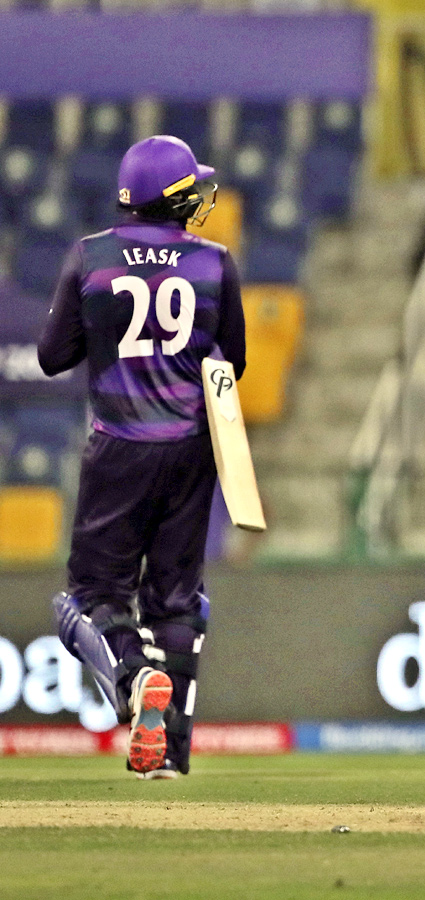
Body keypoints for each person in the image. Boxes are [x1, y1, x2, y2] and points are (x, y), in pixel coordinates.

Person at [39, 134, 245, 780]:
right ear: (174, 198)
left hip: (118, 449)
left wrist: (108, 335)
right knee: (178, 602)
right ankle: (171, 754)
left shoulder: (90, 256)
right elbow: (233, 362)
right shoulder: (215, 263)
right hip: (190, 451)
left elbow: (51, 356)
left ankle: (133, 677)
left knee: (88, 598)